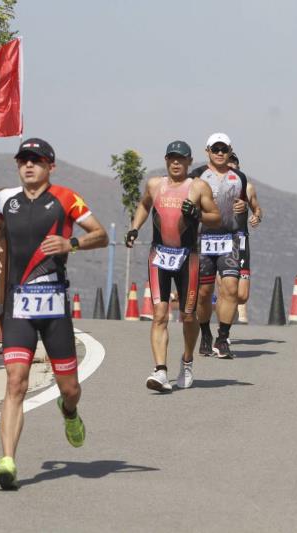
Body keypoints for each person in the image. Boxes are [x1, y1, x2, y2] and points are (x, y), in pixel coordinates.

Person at [0, 138, 108, 489]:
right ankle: (7, 460)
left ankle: (69, 412)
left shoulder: (66, 199)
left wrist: (71, 243)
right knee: (15, 382)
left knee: (69, 388)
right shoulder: (6, 199)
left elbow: (99, 234)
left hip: (53, 308)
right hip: (18, 305)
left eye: (36, 161)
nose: (28, 166)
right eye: (23, 160)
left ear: (50, 166)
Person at [125, 140, 220, 392]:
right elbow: (145, 205)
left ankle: (187, 361)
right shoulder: (155, 185)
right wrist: (135, 227)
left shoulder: (198, 187)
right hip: (159, 255)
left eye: (181, 159)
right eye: (171, 158)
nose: (176, 163)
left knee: (188, 315)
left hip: (187, 258)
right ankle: (160, 371)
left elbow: (216, 217)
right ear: (166, 160)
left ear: (189, 162)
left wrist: (198, 215)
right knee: (159, 314)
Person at [189, 133, 248, 358]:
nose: (221, 153)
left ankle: (222, 338)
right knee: (204, 294)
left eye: (224, 149)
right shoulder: (197, 176)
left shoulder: (239, 177)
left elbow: (244, 202)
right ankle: (205, 333)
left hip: (229, 239)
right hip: (203, 240)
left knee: (231, 288)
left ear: (230, 151)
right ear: (208, 152)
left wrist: (244, 207)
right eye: (216, 149)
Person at [228, 152, 263, 313]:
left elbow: (257, 209)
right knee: (225, 287)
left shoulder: (247, 187)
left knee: (242, 296)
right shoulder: (210, 187)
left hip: (240, 243)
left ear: (238, 167)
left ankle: (220, 302)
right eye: (227, 163)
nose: (230, 165)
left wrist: (256, 217)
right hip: (218, 242)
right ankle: (223, 329)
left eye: (233, 163)